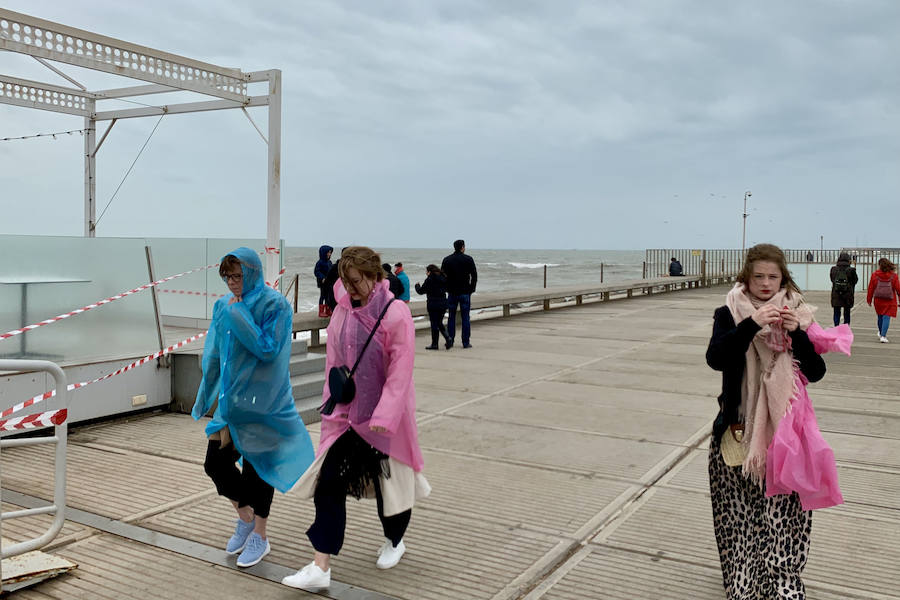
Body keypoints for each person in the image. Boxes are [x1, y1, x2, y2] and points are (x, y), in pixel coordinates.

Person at [282, 246, 430, 593]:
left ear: (375, 275)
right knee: (329, 483)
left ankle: (395, 540)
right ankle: (321, 565)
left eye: (356, 281)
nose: (350, 288)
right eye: (345, 282)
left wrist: (385, 414)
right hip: (347, 416)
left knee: (389, 490)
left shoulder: (395, 314)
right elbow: (335, 357)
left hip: (383, 421)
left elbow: (400, 371)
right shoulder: (343, 307)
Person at [705, 243, 827, 599]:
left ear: (782, 278)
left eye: (772, 276)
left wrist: (798, 335)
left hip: (786, 433)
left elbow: (817, 372)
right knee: (739, 514)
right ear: (747, 276)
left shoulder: (798, 313)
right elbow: (716, 358)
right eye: (758, 276)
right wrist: (750, 325)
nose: (765, 283)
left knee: (784, 515)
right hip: (739, 427)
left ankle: (782, 579)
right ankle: (743, 579)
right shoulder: (729, 313)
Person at [192, 248, 315, 568]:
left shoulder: (274, 303)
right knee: (215, 464)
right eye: (227, 277)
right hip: (231, 404)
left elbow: (269, 349)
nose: (232, 283)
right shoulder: (223, 305)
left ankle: (260, 534)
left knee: (257, 469)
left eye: (238, 275)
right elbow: (215, 353)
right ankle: (245, 516)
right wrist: (206, 394)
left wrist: (239, 315)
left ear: (252, 273)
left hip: (265, 404)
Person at [440, 239, 477, 349]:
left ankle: (450, 340)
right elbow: (474, 275)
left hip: (452, 292)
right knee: (466, 317)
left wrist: (446, 288)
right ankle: (465, 342)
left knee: (451, 317)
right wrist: (472, 289)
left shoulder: (447, 260)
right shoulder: (468, 259)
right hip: (465, 292)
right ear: (462, 247)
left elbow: (443, 276)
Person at [414, 264, 450, 350]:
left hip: (433, 304)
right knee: (439, 322)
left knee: (434, 324)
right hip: (443, 303)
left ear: (429, 272)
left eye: (426, 271)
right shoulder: (443, 277)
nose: (426, 273)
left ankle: (435, 344)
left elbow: (421, 291)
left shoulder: (429, 279)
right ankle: (448, 338)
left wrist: (417, 286)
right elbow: (447, 288)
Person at [866, 257, 900, 343]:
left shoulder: (875, 275)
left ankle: (881, 332)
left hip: (878, 300)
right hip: (890, 300)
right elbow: (898, 289)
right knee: (886, 317)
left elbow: (871, 288)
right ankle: (883, 335)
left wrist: (869, 299)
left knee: (880, 317)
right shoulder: (894, 276)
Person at [829, 252, 858, 326]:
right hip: (847, 294)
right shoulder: (851, 270)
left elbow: (832, 279)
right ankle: (846, 328)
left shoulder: (833, 269)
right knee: (847, 312)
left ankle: (836, 327)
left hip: (836, 293)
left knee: (836, 312)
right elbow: (855, 281)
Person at [315, 245, 334, 318]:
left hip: (329, 282)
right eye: (328, 252)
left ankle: (328, 310)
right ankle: (321, 311)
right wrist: (322, 277)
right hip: (322, 282)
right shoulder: (320, 262)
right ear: (324, 253)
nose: (329, 254)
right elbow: (316, 271)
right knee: (322, 296)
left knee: (328, 296)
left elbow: (331, 270)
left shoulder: (329, 262)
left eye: (330, 253)